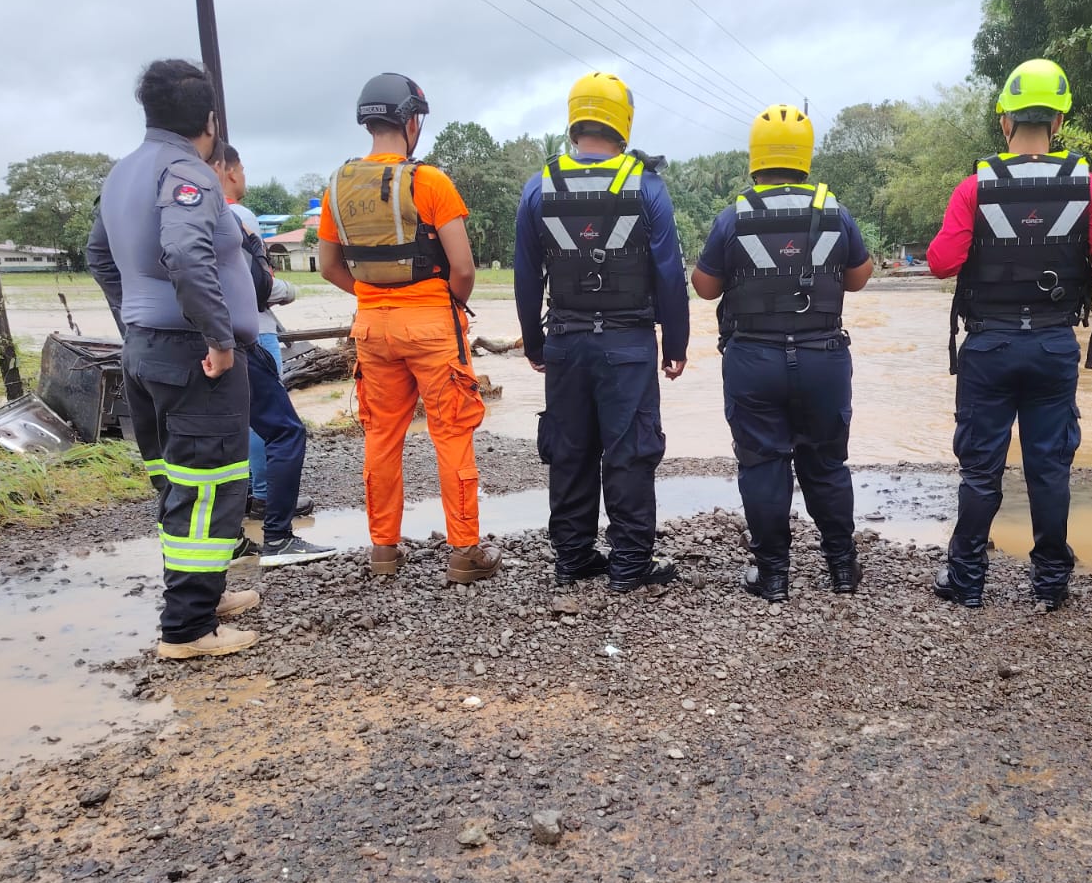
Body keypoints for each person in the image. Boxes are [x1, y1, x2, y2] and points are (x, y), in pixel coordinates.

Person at [926, 58, 1092, 609]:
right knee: (1048, 466)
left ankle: (967, 583)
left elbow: (942, 262)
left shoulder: (975, 188)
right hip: (1051, 345)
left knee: (980, 468)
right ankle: (1049, 585)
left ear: (1005, 122)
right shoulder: (1088, 187)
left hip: (990, 346)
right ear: (1059, 121)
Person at [85, 59, 260, 659]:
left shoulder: (123, 172)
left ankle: (202, 595)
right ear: (210, 120)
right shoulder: (187, 171)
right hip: (193, 357)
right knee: (208, 484)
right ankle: (187, 629)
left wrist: (133, 317)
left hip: (147, 348)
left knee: (178, 481)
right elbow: (185, 252)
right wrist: (216, 337)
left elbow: (99, 256)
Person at [317, 73, 500, 584]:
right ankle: (464, 551)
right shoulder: (430, 182)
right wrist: (441, 304)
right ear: (411, 121)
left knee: (381, 436)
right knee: (451, 434)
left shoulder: (337, 185)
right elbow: (462, 268)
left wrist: (376, 300)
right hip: (432, 327)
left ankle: (383, 551)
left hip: (372, 329)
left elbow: (330, 266)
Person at [513, 71, 690, 592]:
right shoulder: (647, 187)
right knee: (630, 450)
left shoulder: (537, 187)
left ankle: (572, 559)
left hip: (566, 341)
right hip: (628, 344)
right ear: (623, 122)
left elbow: (527, 277)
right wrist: (675, 345)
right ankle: (629, 565)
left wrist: (534, 342)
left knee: (570, 449)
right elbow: (670, 277)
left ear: (575, 119)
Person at [690, 105, 874, 601]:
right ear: (805, 156)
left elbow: (705, 288)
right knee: (827, 464)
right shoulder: (835, 211)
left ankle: (773, 576)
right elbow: (858, 278)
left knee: (763, 464)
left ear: (755, 155)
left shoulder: (734, 216)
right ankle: (841, 570)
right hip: (823, 357)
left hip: (754, 360)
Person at [211, 144, 332, 567]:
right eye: (241, 168)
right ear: (225, 169)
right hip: (247, 336)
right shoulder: (235, 217)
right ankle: (275, 526)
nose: (243, 175)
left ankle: (228, 533)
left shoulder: (158, 204)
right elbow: (258, 285)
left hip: (183, 342)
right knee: (280, 429)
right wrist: (290, 291)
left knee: (223, 433)